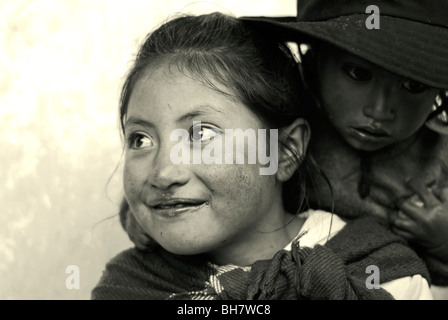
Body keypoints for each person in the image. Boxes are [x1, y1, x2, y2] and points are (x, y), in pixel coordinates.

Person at [92, 12, 431, 300]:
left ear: (284, 150)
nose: (164, 173)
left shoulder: (385, 277)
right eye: (140, 139)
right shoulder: (129, 288)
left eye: (201, 134)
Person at [242, 0, 448, 289]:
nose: (379, 110)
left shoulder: (440, 158)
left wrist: (441, 241)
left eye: (414, 86)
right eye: (358, 73)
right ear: (313, 62)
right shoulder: (282, 131)